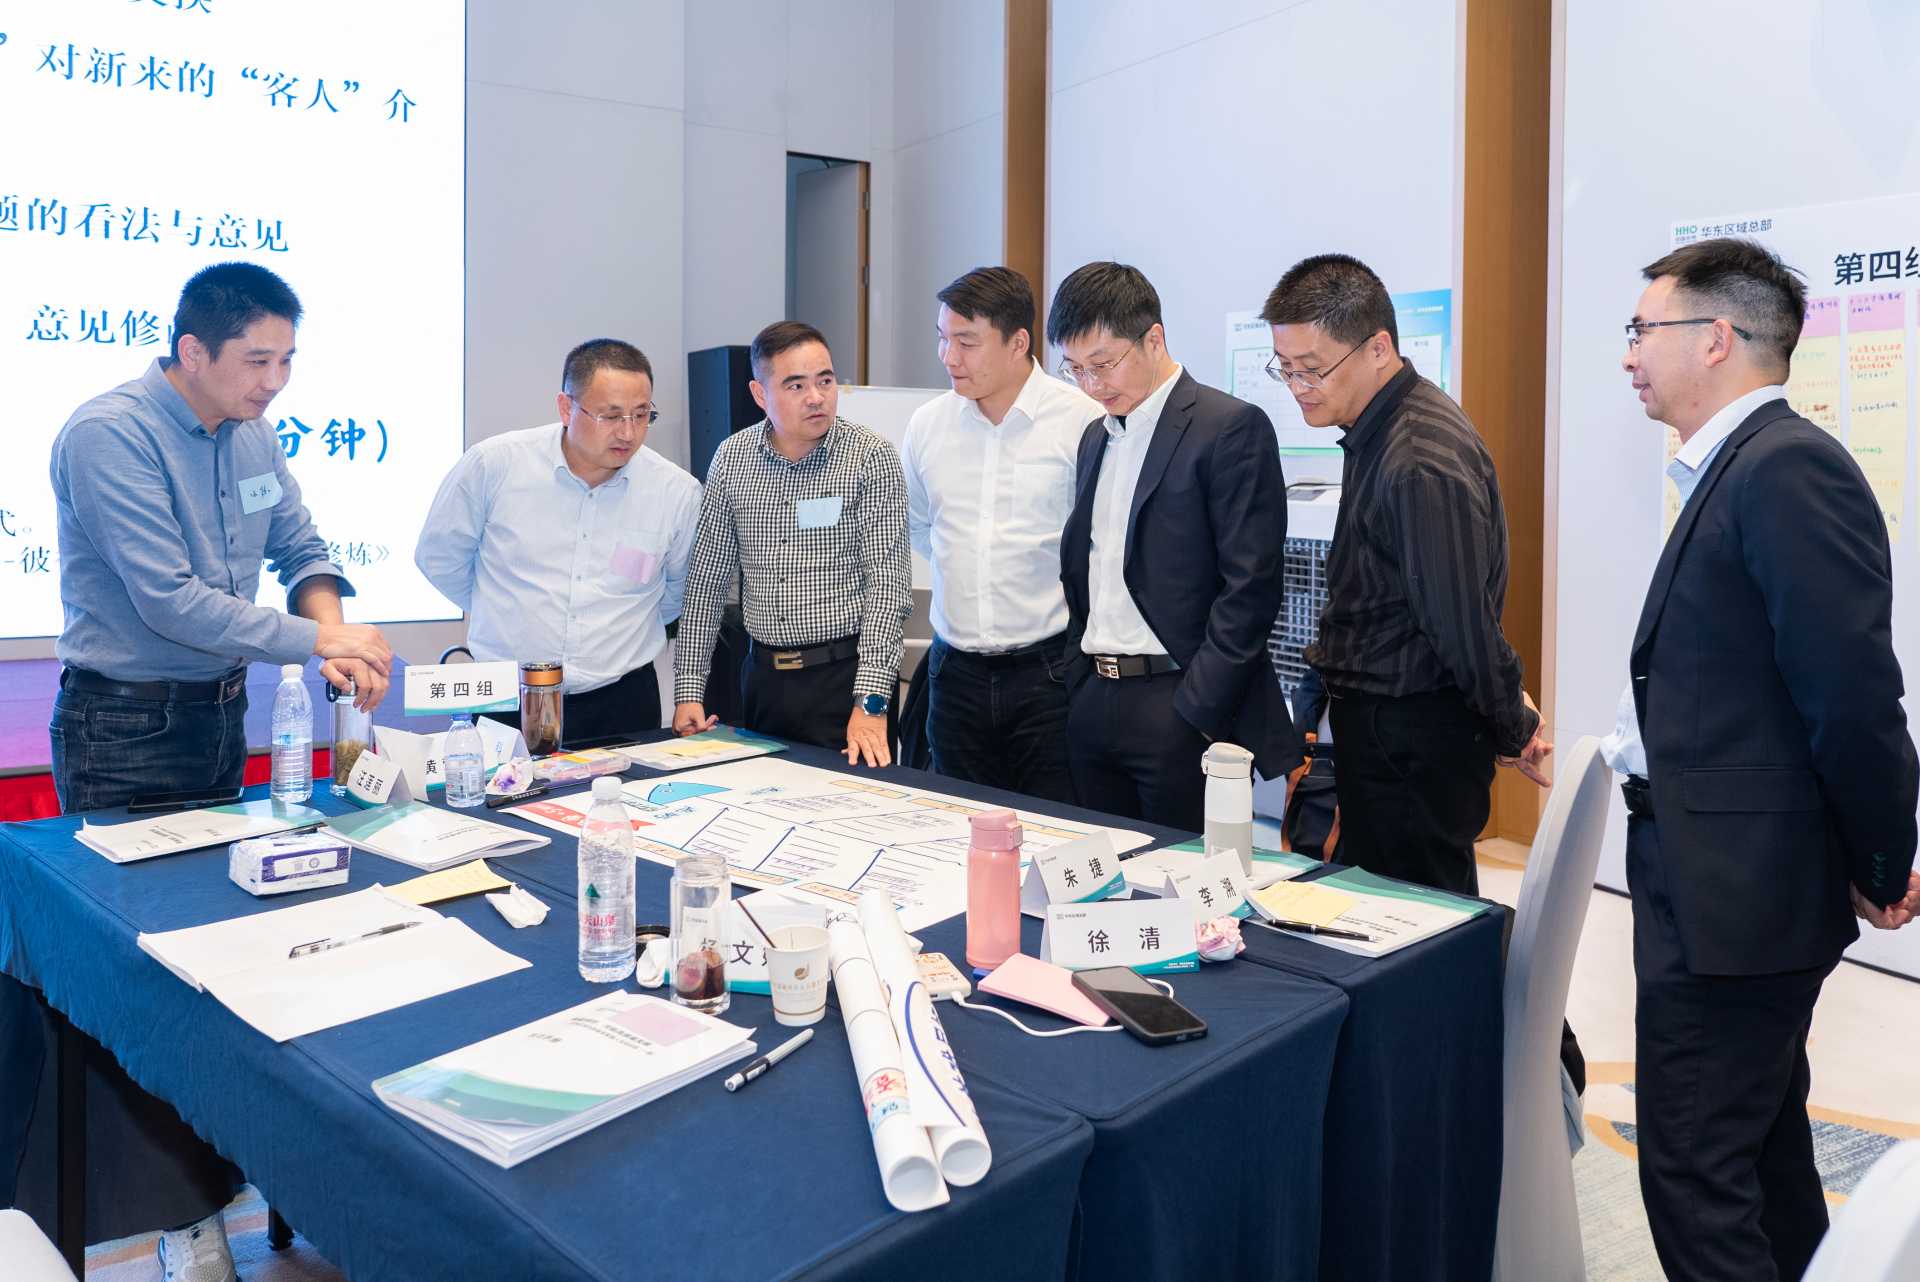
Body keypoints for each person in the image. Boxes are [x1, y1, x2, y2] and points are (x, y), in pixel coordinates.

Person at [26, 261, 392, 1281]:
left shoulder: (252, 433)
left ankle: (234, 1179)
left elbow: (303, 547)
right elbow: (171, 601)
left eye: (288, 360)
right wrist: (321, 643)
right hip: (123, 728)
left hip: (219, 718)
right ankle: (179, 1220)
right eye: (257, 361)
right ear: (193, 350)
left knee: (220, 968)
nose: (276, 382)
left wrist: (332, 630)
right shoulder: (110, 436)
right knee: (141, 981)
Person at [1606, 236, 1920, 1282]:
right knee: (1762, 1147)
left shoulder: (1786, 469)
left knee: (1696, 1167)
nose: (1629, 356)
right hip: (1713, 873)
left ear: (1716, 338)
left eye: (1643, 331)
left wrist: (1882, 858)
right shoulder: (1737, 466)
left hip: (1737, 890)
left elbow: (1854, 696)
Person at [1263, 253, 1549, 896]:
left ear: (1378, 348)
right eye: (1285, 368)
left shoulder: (1416, 457)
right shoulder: (1380, 427)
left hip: (1410, 741)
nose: (1298, 386)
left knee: (1420, 921)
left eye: (1313, 368)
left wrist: (1513, 725)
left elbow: (1460, 628)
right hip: (1389, 732)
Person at [1051, 262, 1300, 829]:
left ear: (1154, 339)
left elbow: (1251, 587)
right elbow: (1088, 567)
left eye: (1103, 364)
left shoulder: (1228, 427)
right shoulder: (1095, 436)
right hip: (1094, 696)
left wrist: (1198, 709)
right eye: (1076, 369)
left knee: (1183, 875)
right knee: (1104, 868)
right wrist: (1077, 679)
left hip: (1178, 701)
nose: (1091, 385)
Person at [416, 339, 698, 746]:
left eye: (642, 415)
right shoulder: (494, 466)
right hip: (507, 696)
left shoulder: (675, 492)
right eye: (611, 416)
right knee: (499, 788)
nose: (628, 432)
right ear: (566, 408)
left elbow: (676, 592)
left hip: (621, 700)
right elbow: (440, 560)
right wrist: (507, 609)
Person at [671, 321, 910, 766]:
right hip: (763, 679)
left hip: (846, 680)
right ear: (759, 394)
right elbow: (707, 579)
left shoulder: (869, 457)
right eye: (796, 385)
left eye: (825, 380)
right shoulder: (732, 458)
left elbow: (887, 587)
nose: (816, 397)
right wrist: (689, 690)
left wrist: (871, 701)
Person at [902, 266, 1099, 804]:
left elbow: (1097, 543)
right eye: (943, 338)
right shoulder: (927, 425)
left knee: (1057, 823)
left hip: (1049, 673)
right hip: (954, 674)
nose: (949, 357)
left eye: (967, 342)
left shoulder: (1081, 420)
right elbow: (920, 525)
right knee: (958, 822)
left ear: (1018, 343)